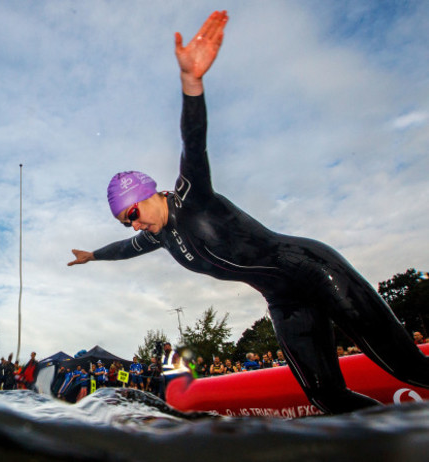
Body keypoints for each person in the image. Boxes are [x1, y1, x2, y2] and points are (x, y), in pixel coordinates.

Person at [66, 10, 429, 415]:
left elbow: (193, 142)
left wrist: (192, 83)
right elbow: (125, 249)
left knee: (411, 369)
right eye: (126, 220)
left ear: (152, 193)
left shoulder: (193, 196)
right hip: (284, 301)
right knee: (327, 397)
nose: (134, 223)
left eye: (133, 212)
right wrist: (94, 255)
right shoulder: (159, 236)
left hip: (313, 269)